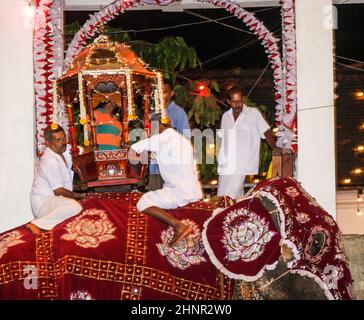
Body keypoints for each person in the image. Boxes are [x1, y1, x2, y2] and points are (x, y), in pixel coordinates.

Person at [131, 114, 202, 247]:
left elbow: (134, 149)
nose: (150, 131)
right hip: (193, 189)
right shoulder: (182, 139)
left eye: (151, 128)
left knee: (144, 201)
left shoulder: (161, 139)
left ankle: (178, 226)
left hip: (179, 191)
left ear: (159, 126)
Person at [217, 86, 281, 199]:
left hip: (242, 163)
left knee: (230, 195)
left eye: (240, 101)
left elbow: (266, 131)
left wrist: (275, 148)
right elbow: (223, 140)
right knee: (223, 195)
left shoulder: (253, 113)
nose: (237, 104)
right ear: (228, 102)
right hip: (226, 164)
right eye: (234, 102)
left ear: (243, 99)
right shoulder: (225, 117)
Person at [27, 125, 85, 235]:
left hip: (58, 200)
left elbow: (81, 150)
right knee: (74, 206)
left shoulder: (64, 149)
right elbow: (58, 191)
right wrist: (81, 196)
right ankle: (36, 224)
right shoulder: (49, 160)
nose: (63, 142)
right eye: (58, 140)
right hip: (44, 202)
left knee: (75, 206)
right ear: (48, 143)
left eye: (64, 138)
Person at [148, 79, 190, 191]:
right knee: (154, 199)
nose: (161, 96)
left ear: (172, 93)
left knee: (172, 202)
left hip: (172, 168)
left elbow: (186, 140)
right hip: (155, 167)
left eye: (165, 92)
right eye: (158, 92)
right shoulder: (152, 114)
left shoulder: (179, 113)